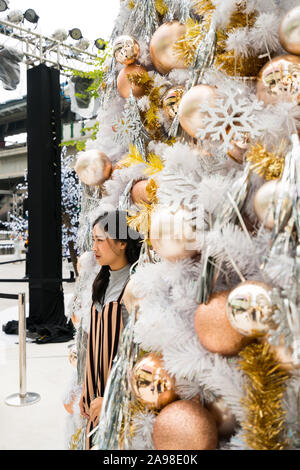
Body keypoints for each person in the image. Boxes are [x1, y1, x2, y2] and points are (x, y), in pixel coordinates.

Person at [79, 209, 142, 449]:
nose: (94, 247)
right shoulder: (102, 281)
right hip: (94, 397)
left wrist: (109, 400)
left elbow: (137, 356)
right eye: (93, 240)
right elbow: (92, 342)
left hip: (119, 403)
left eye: (100, 240)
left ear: (122, 243)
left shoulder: (134, 287)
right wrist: (87, 389)